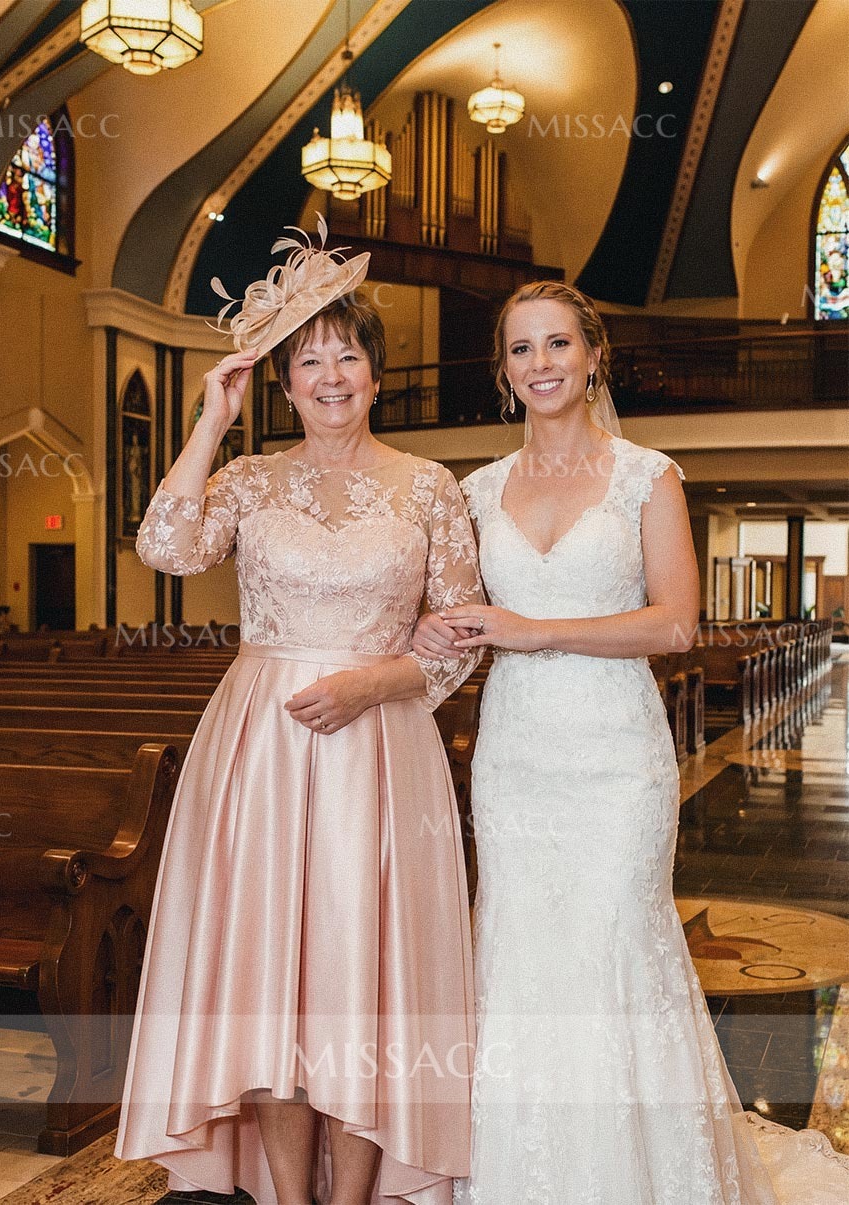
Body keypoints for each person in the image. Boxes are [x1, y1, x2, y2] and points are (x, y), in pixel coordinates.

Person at [412, 280, 849, 1203]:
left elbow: (676, 623)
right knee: (522, 947)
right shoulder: (474, 490)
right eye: (521, 348)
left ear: (593, 354)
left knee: (614, 941)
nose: (541, 363)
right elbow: (455, 613)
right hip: (517, 756)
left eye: (557, 343)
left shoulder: (649, 476)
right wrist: (422, 632)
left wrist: (533, 630)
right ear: (503, 369)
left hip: (616, 754)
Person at [115, 219, 484, 1205]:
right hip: (262, 748)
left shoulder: (429, 488)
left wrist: (375, 681)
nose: (331, 376)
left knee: (358, 977)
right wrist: (211, 418)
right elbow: (165, 546)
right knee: (271, 980)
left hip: (380, 748)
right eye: (310, 360)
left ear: (376, 374)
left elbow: (462, 637)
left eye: (348, 356)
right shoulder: (247, 478)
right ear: (283, 382)